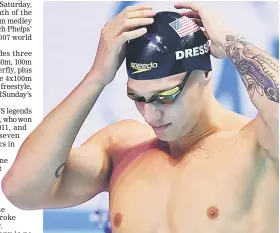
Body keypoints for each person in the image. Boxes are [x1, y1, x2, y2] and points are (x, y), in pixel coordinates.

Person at [2, 2, 278, 233]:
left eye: (166, 96)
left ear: (205, 74)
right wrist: (96, 78)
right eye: (138, 98)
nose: (151, 114)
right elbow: (21, 190)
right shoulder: (123, 149)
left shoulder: (259, 145)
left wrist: (232, 44)